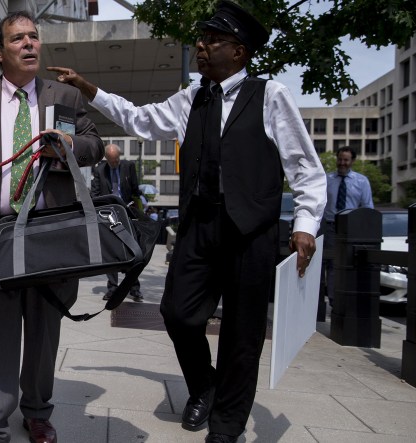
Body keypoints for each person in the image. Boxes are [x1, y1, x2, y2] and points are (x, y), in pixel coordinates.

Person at [49, 2, 326, 442]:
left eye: (212, 40)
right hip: (199, 226)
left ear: (238, 51)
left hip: (250, 233)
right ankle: (204, 385)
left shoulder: (271, 95)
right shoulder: (191, 97)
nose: (201, 46)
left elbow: (305, 168)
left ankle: (226, 428)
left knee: (242, 335)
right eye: (202, 38)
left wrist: (306, 224)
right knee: (177, 313)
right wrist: (88, 88)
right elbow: (141, 120)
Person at [0, 10, 104, 443]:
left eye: (33, 37)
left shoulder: (64, 97)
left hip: (51, 237)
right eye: (18, 39)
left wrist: (69, 145)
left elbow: (94, 145)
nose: (29, 44)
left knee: (44, 336)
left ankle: (37, 412)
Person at [90, 143, 144, 302]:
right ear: (107, 159)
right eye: (112, 161)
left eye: (117, 159)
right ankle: (112, 288)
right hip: (109, 215)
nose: (115, 163)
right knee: (111, 252)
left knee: (133, 250)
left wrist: (140, 207)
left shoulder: (128, 166)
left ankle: (134, 288)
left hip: (127, 212)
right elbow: (95, 193)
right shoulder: (100, 170)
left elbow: (135, 190)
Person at [322, 146, 374, 305]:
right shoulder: (327, 179)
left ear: (352, 161)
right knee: (332, 263)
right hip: (331, 226)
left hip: (351, 229)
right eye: (340, 159)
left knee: (350, 263)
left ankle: (348, 299)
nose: (342, 163)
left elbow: (367, 207)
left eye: (346, 160)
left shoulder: (361, 181)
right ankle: (333, 299)